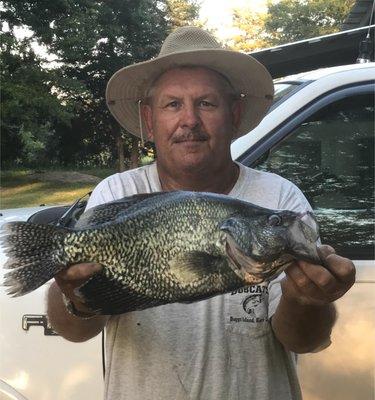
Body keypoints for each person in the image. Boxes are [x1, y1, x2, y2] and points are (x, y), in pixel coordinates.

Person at [47, 27, 355, 400]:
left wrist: (305, 299)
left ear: (234, 113)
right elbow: (74, 330)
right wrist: (75, 296)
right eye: (172, 104)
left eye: (206, 103)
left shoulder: (279, 198)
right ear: (149, 119)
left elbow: (306, 340)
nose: (189, 120)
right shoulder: (117, 193)